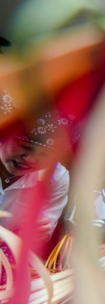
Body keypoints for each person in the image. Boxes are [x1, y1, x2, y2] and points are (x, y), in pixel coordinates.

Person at [0, 90, 70, 241]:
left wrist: (41, 230)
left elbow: (44, 229)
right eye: (25, 147)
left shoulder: (56, 178)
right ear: (5, 137)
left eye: (45, 154)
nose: (30, 159)